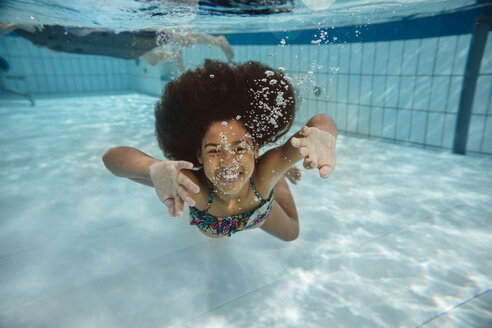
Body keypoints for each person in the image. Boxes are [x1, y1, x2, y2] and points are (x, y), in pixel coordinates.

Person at [103, 60, 337, 241]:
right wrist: (151, 168)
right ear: (198, 156)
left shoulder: (264, 172)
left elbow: (320, 120)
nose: (229, 161)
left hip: (259, 210)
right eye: (214, 151)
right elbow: (112, 158)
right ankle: (280, 173)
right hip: (215, 225)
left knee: (292, 233)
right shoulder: (193, 186)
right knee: (216, 238)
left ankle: (280, 177)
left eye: (239, 148)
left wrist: (326, 135)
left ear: (255, 149)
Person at [2, 24, 234, 72]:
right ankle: (173, 57)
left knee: (173, 37)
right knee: (153, 59)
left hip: (121, 38)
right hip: (121, 48)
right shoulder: (25, 28)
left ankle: (217, 40)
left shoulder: (18, 23)